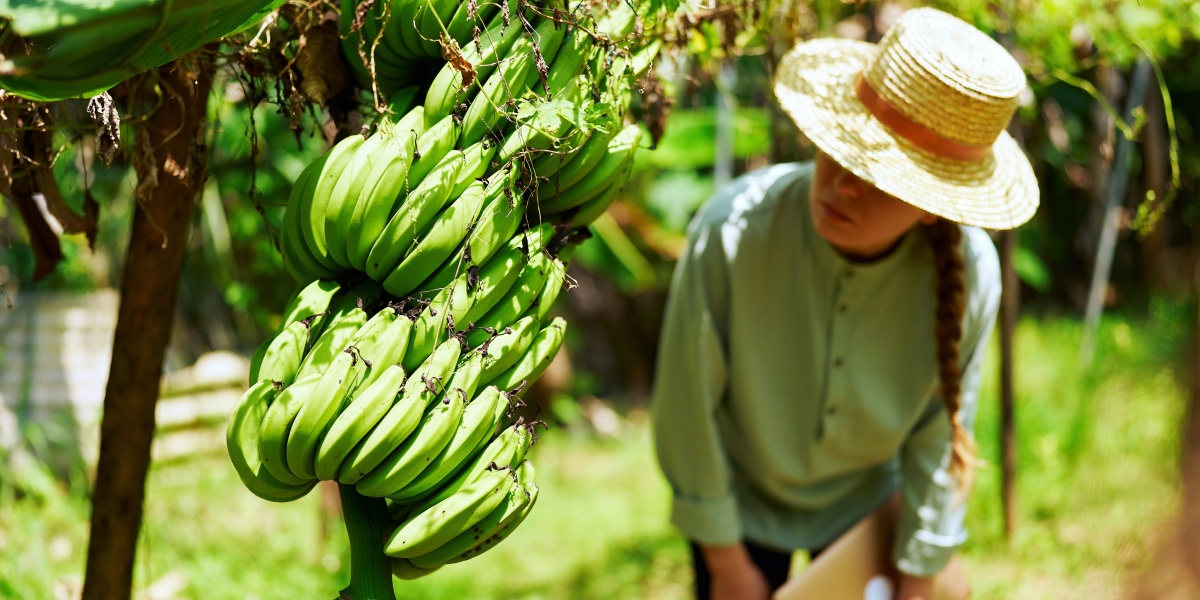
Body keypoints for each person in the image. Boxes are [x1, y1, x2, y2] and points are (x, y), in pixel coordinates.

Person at [650, 7, 1040, 600]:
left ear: (934, 205)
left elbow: (939, 435)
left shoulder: (971, 273)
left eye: (882, 178)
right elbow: (688, 410)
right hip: (741, 502)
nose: (843, 186)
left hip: (868, 509)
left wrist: (923, 566)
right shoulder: (733, 232)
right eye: (843, 150)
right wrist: (726, 562)